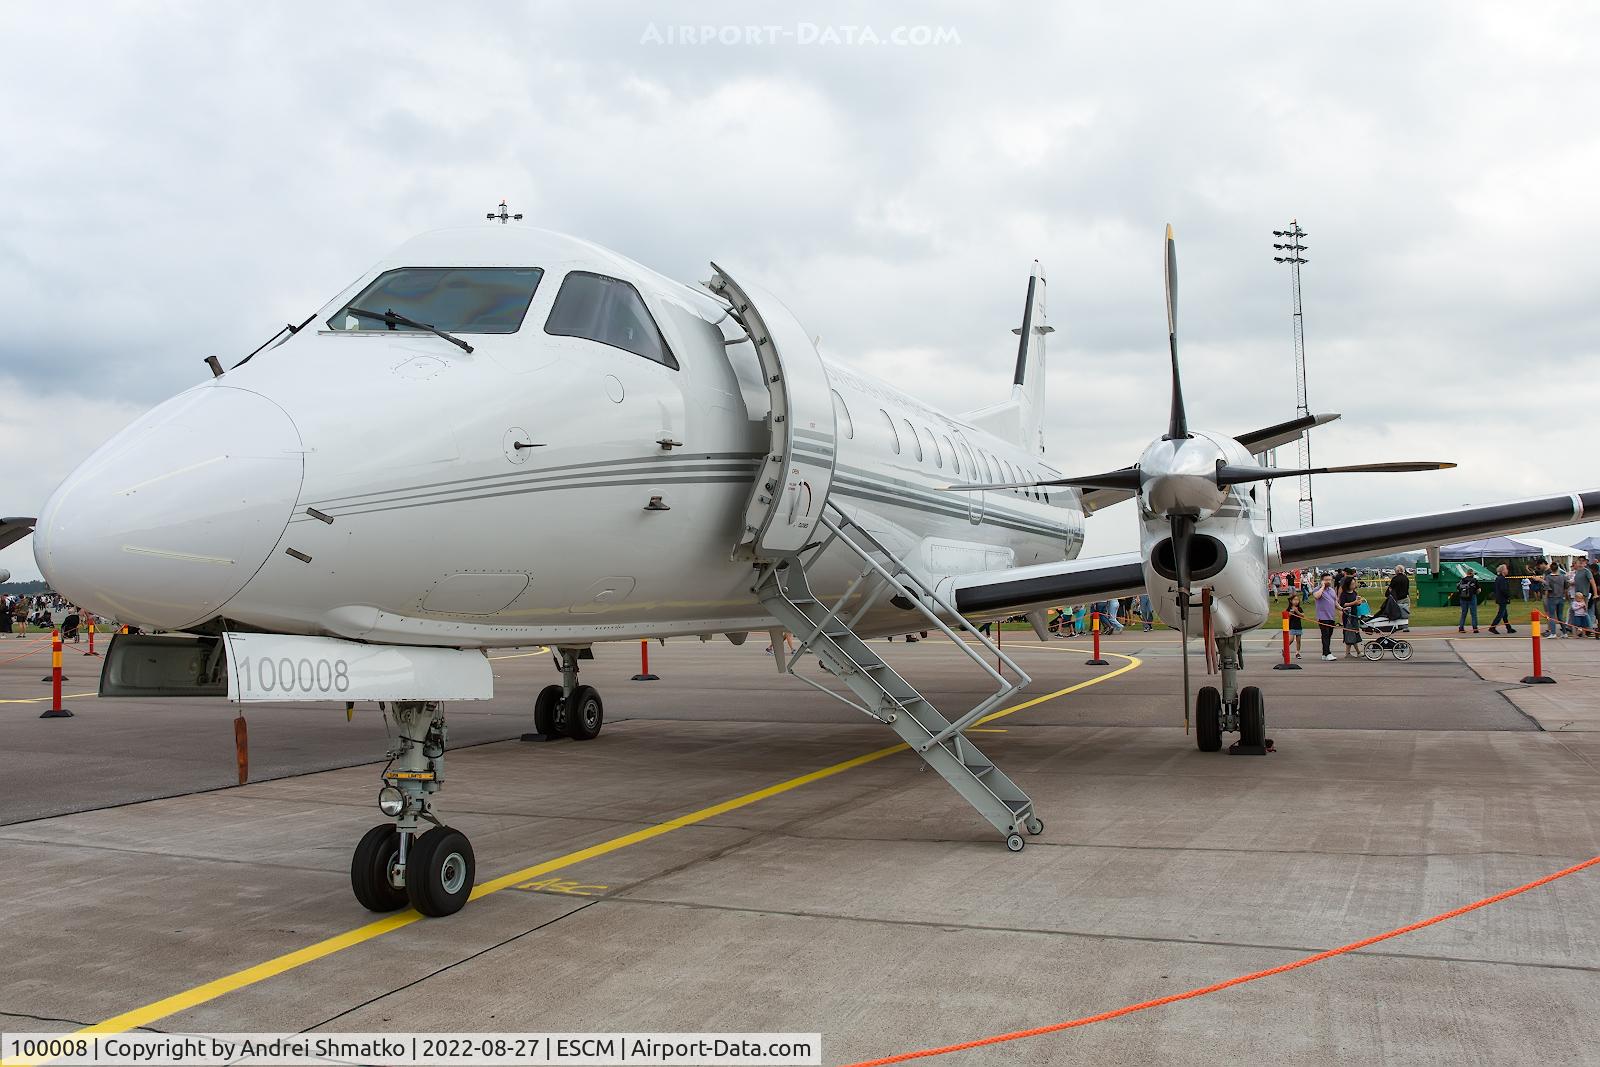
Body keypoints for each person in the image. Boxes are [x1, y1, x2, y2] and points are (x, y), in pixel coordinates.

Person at [1314, 574, 1339, 661]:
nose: (1328, 581)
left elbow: (1335, 602)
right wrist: (1322, 586)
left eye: (1330, 580)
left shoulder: (1332, 590)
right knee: (1325, 635)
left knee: (1328, 635)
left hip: (1331, 617)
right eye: (1326, 580)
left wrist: (1342, 608)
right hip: (1322, 617)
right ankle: (1328, 653)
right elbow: (1317, 596)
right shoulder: (1318, 589)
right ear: (1322, 580)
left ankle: (1325, 654)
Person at [1488, 564, 1517, 634]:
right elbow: (1503, 589)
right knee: (1501, 614)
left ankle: (1508, 628)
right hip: (1502, 599)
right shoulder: (1502, 579)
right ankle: (1492, 627)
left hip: (1500, 598)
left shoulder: (1499, 578)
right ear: (1503, 571)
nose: (1507, 570)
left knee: (1505, 615)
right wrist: (1508, 596)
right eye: (1506, 569)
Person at [1339, 576, 1364, 657]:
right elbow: (1343, 604)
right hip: (1348, 616)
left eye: (1354, 583)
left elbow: (1357, 603)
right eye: (1352, 584)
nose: (1354, 585)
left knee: (1353, 633)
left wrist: (1359, 602)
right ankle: (1357, 652)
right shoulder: (1344, 594)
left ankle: (1349, 653)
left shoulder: (1354, 593)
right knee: (1350, 633)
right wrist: (1354, 603)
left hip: (1354, 615)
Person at [1572, 557, 1595, 637]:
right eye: (1580, 561)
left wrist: (1595, 594)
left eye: (1583, 561)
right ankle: (1580, 631)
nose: (1581, 562)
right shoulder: (1577, 572)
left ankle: (1589, 629)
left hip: (1583, 595)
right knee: (1576, 613)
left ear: (1585, 562)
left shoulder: (1586, 571)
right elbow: (1577, 582)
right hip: (1577, 595)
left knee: (1584, 613)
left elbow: (1592, 582)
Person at [1543, 562, 1567, 638]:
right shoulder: (1563, 577)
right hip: (1561, 597)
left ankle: (1553, 633)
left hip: (1552, 598)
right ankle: (1564, 632)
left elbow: (1547, 588)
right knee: (1560, 616)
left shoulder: (1548, 577)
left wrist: (1546, 598)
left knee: (1552, 616)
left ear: (1551, 569)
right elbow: (1566, 586)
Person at [1456, 565, 1481, 634]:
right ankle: (1475, 628)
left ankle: (1461, 627)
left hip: (1463, 598)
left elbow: (1458, 588)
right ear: (1472, 573)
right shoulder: (1474, 580)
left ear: (1467, 573)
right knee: (1473, 613)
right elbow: (1479, 590)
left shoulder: (1462, 580)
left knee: (1463, 613)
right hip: (1472, 597)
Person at [1286, 591, 1304, 659]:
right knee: (1291, 639)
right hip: (1291, 626)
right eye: (1294, 600)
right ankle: (1285, 649)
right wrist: (1291, 612)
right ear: (1291, 601)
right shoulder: (1289, 608)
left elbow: (1303, 616)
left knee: (1298, 640)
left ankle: (1297, 652)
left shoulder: (1299, 608)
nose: (1296, 601)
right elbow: (1287, 616)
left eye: (1297, 600)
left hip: (1298, 626)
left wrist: (1297, 612)